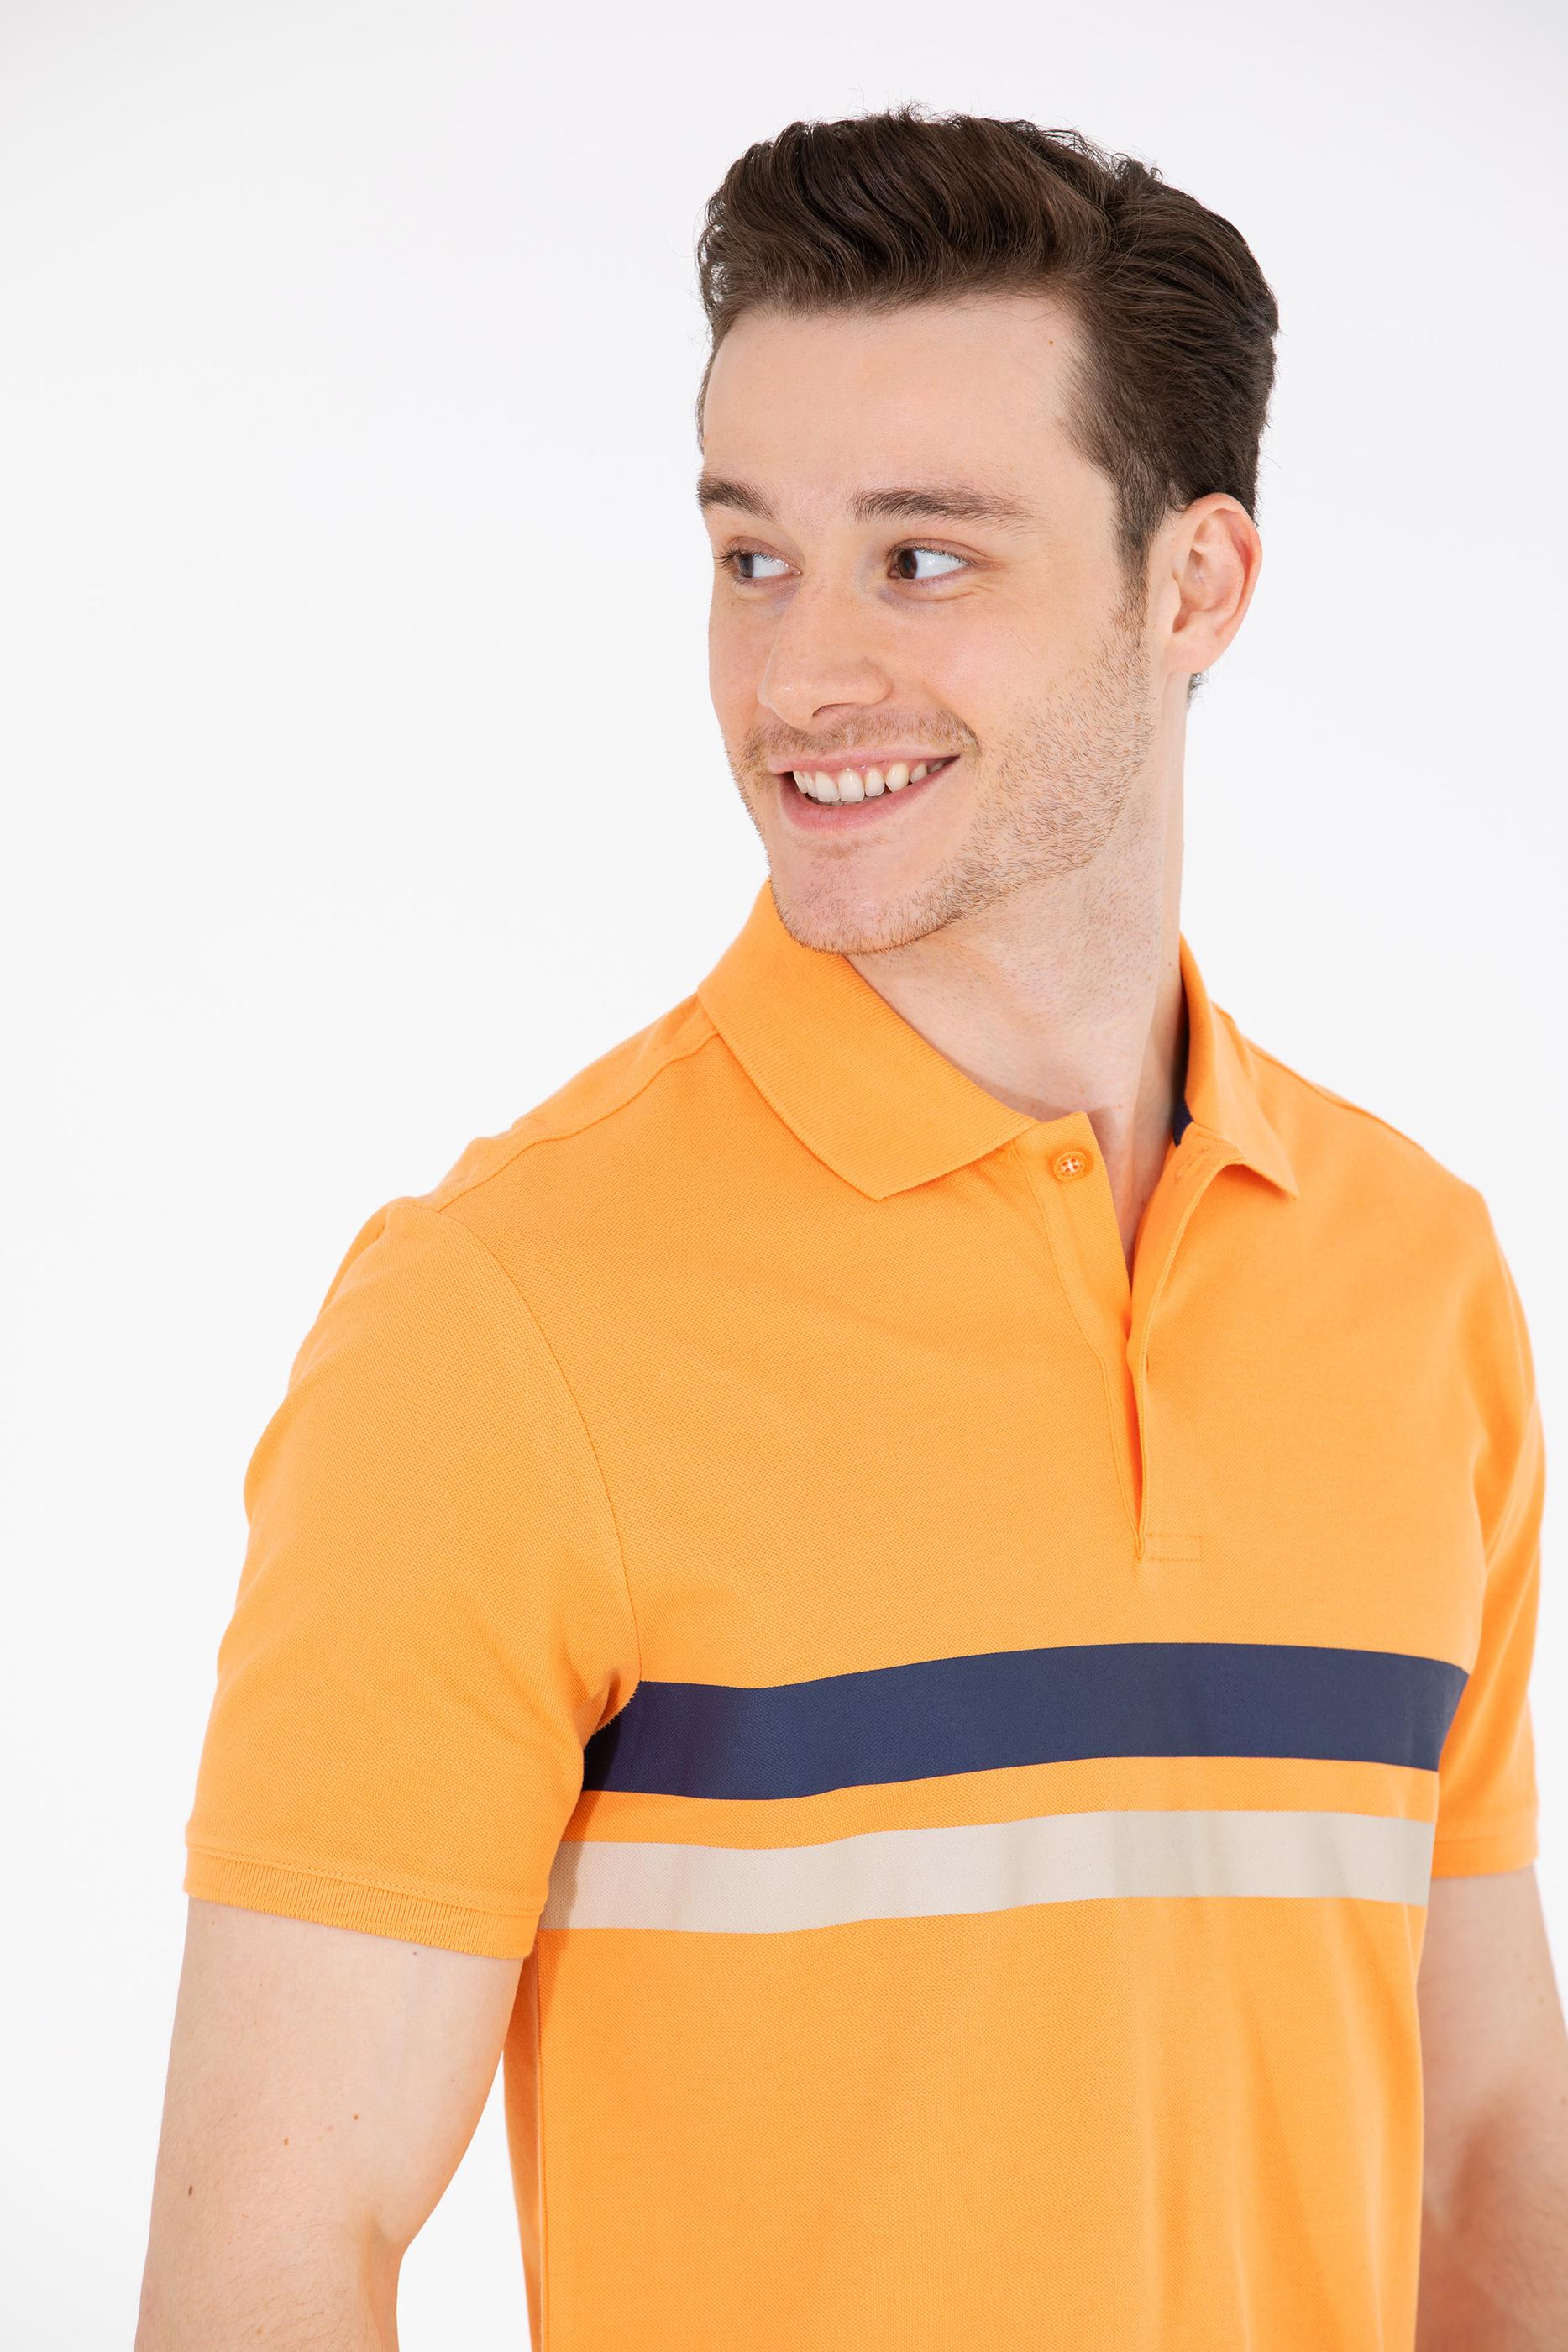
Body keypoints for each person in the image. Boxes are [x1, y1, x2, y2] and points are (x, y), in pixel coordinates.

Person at [135, 106, 1567, 2349]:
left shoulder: (1412, 1280)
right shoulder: (502, 1315)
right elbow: (272, 2252)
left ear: (1193, 585)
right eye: (750, 556)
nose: (797, 674)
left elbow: (1479, 2141)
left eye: (919, 560)